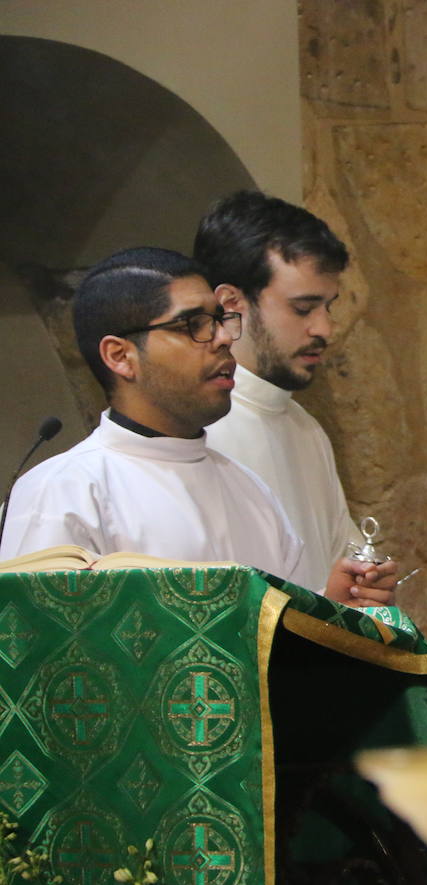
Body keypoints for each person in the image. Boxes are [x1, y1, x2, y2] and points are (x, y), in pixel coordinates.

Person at [0, 248, 306, 580]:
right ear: (120, 356)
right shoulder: (62, 495)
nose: (222, 339)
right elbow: (35, 627)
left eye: (220, 320)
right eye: (193, 324)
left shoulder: (250, 490)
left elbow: (278, 620)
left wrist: (327, 605)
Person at [195, 190, 394, 601]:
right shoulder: (194, 434)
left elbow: (343, 561)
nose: (325, 328)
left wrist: (367, 589)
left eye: (328, 306)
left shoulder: (305, 429)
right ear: (231, 305)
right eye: (304, 308)